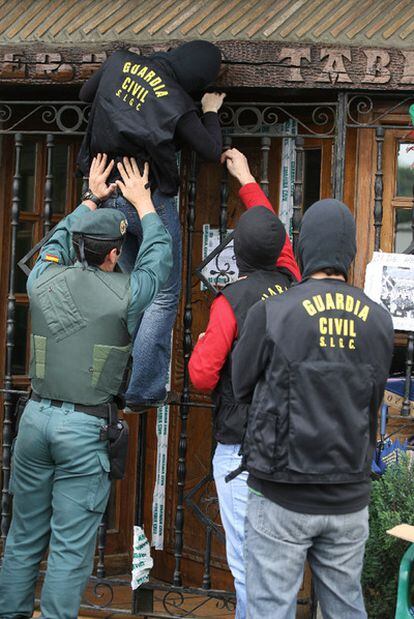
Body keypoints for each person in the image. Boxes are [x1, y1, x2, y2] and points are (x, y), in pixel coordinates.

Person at [0, 154, 172, 619]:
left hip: (33, 421)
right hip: (83, 429)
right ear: (114, 253)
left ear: (77, 246)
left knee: (21, 538)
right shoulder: (127, 295)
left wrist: (91, 198)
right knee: (70, 548)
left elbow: (54, 240)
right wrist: (146, 204)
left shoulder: (42, 278)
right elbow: (160, 258)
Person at [232, 198, 395, 619]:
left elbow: (240, 384)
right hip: (348, 496)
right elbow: (374, 396)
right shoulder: (379, 321)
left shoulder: (271, 312)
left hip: (281, 492)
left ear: (304, 250)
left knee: (270, 610)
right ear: (348, 253)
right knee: (344, 609)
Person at [77, 41, 225, 405]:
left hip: (103, 192)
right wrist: (209, 111)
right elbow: (210, 151)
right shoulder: (176, 101)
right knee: (161, 296)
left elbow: (85, 95)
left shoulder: (119, 62)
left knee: (132, 292)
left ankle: (114, 381)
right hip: (145, 200)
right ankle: (142, 390)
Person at [188, 148, 300, 619]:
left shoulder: (230, 302)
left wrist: (201, 344)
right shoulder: (295, 285)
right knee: (278, 560)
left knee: (246, 564)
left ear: (238, 254)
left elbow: (201, 375)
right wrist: (248, 180)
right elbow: (278, 238)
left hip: (240, 450)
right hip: (289, 446)